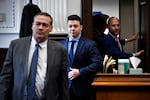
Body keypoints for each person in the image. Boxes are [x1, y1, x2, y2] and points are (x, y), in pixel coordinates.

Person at [0, 12, 69, 100]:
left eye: (45, 25)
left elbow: (63, 82)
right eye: (38, 24)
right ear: (32, 26)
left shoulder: (60, 50)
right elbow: (6, 77)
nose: (40, 27)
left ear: (51, 29)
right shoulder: (16, 45)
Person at [60, 15, 103, 100]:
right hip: (64, 89)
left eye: (75, 26)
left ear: (81, 27)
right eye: (70, 26)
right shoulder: (60, 44)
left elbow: (98, 63)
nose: (72, 28)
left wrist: (80, 71)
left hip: (82, 89)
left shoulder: (90, 44)